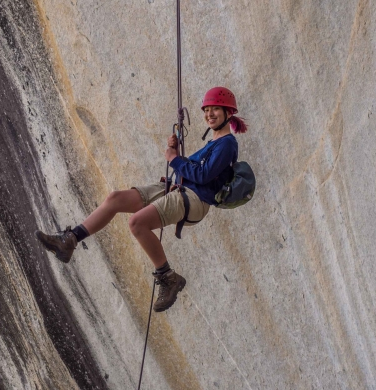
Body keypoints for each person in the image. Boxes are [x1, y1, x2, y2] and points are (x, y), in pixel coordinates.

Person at [35, 87, 248, 312]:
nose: (210, 114)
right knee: (116, 198)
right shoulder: (215, 142)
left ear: (228, 113)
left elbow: (204, 176)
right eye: (207, 110)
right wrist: (176, 154)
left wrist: (175, 159)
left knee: (137, 223)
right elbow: (198, 170)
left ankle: (168, 277)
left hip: (195, 199)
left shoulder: (227, 144)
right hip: (181, 189)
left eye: (216, 109)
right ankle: (70, 240)